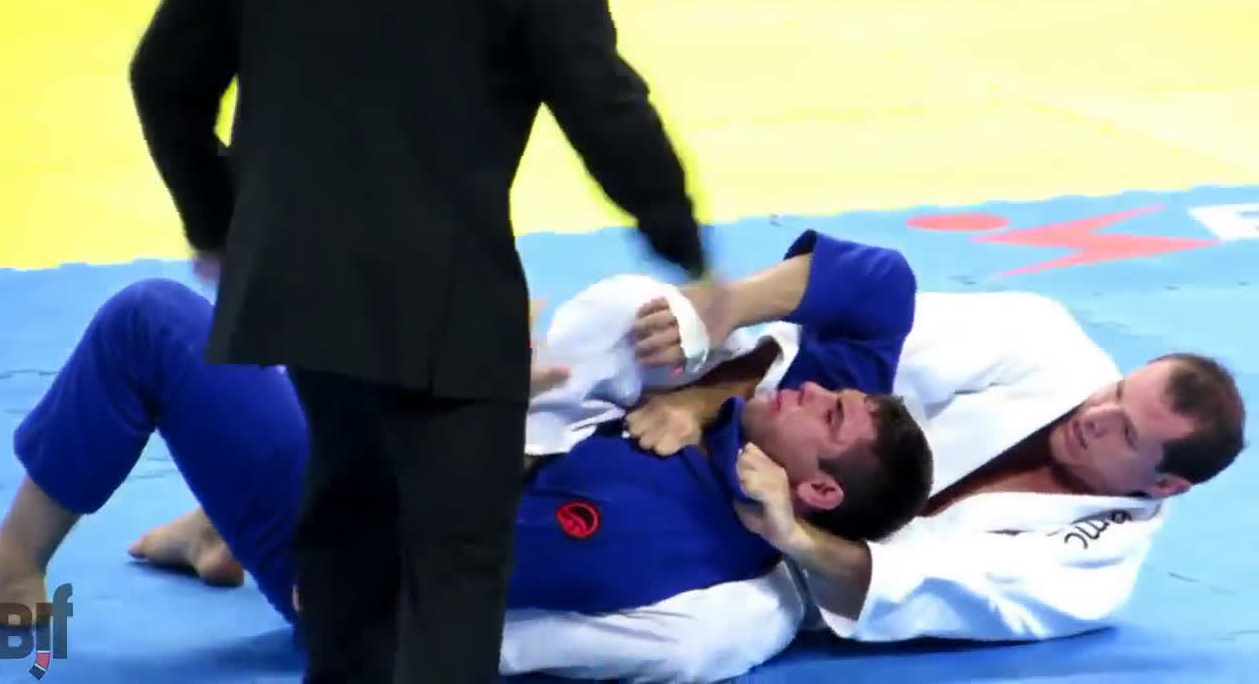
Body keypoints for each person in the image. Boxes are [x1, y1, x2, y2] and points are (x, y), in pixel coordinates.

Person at [127, 0, 726, 681]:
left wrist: (220, 221)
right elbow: (600, 101)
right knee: (454, 565)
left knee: (349, 507)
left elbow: (164, 77)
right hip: (444, 291)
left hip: (298, 270)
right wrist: (680, 237)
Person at [0, 270, 932, 675]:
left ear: (817, 491)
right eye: (837, 390)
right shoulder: (762, 425)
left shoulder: (662, 532)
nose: (815, 387)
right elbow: (884, 283)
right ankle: (215, 529)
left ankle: (10, 573)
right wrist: (725, 309)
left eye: (832, 413)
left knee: (152, 322)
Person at [495, 269, 1246, 679]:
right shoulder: (1040, 338)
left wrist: (793, 535)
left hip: (789, 564)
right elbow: (840, 346)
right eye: (1119, 391)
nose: (1097, 412)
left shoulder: (1091, 574)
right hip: (751, 418)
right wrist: (698, 402)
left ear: (1164, 485)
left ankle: (488, 645)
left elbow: (912, 590)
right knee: (639, 312)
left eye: (1126, 431)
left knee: (701, 645)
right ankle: (507, 420)